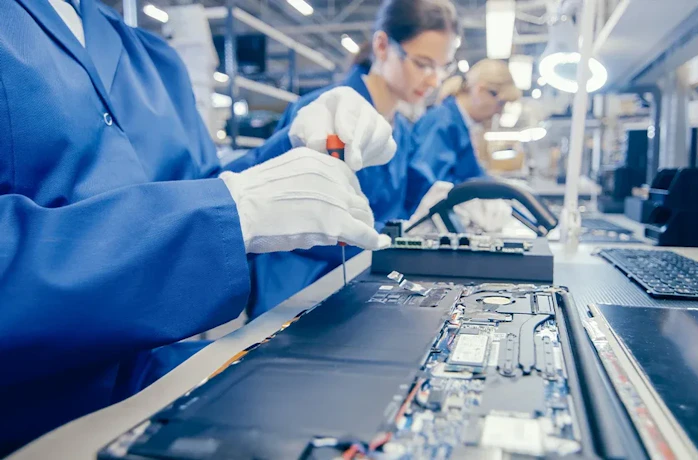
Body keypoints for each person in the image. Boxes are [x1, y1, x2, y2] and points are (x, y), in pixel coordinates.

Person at [0, 0, 394, 454]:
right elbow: (214, 206)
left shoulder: (150, 56)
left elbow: (200, 186)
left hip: (153, 390)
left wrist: (290, 147)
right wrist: (232, 210)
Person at [245, 0, 462, 317]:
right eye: (423, 64)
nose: (434, 80)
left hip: (361, 288)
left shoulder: (402, 131)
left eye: (443, 67)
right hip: (298, 292)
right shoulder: (325, 113)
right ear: (383, 45)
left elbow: (398, 209)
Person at [406, 59, 522, 215]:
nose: (499, 113)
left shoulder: (460, 126)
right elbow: (431, 186)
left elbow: (472, 178)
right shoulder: (442, 122)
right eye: (500, 103)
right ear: (481, 90)